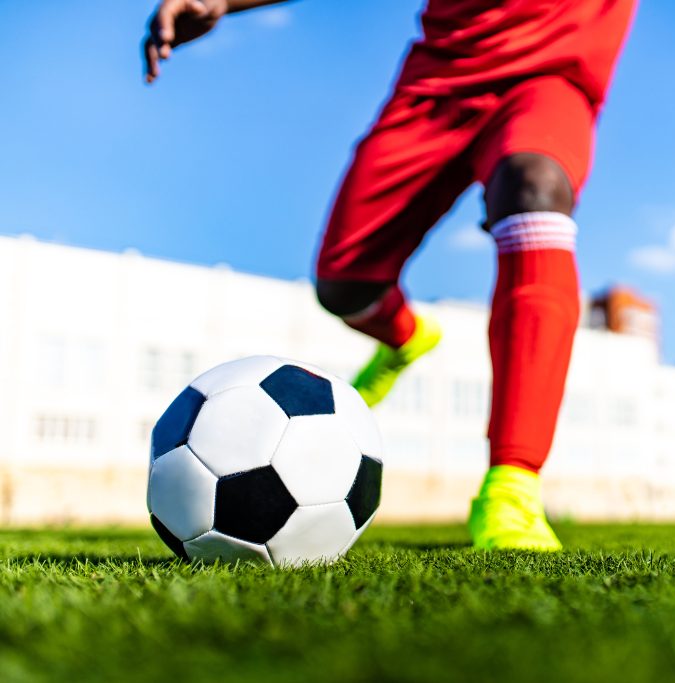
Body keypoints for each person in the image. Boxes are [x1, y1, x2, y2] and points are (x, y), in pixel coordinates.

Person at [142, 0, 635, 550]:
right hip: (439, 81)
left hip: (551, 79)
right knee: (344, 283)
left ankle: (512, 484)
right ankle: (404, 338)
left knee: (534, 190)